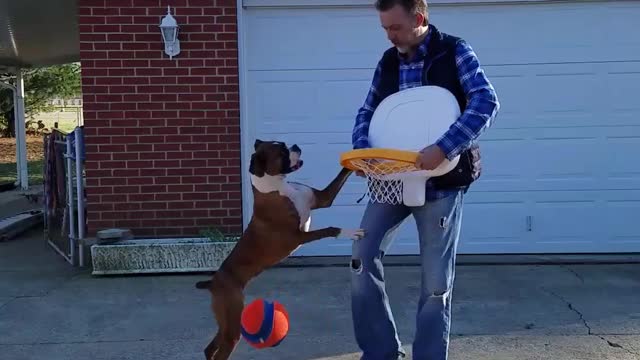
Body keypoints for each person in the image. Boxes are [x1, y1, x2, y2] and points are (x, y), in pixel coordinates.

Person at [349, 1, 500, 359]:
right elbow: (368, 110)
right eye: (384, 28)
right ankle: (381, 352)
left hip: (441, 182)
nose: (389, 35)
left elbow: (485, 101)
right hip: (391, 179)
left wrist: (445, 146)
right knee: (361, 257)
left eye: (395, 27)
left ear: (419, 18)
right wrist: (362, 150)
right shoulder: (388, 61)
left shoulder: (454, 51)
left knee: (436, 284)